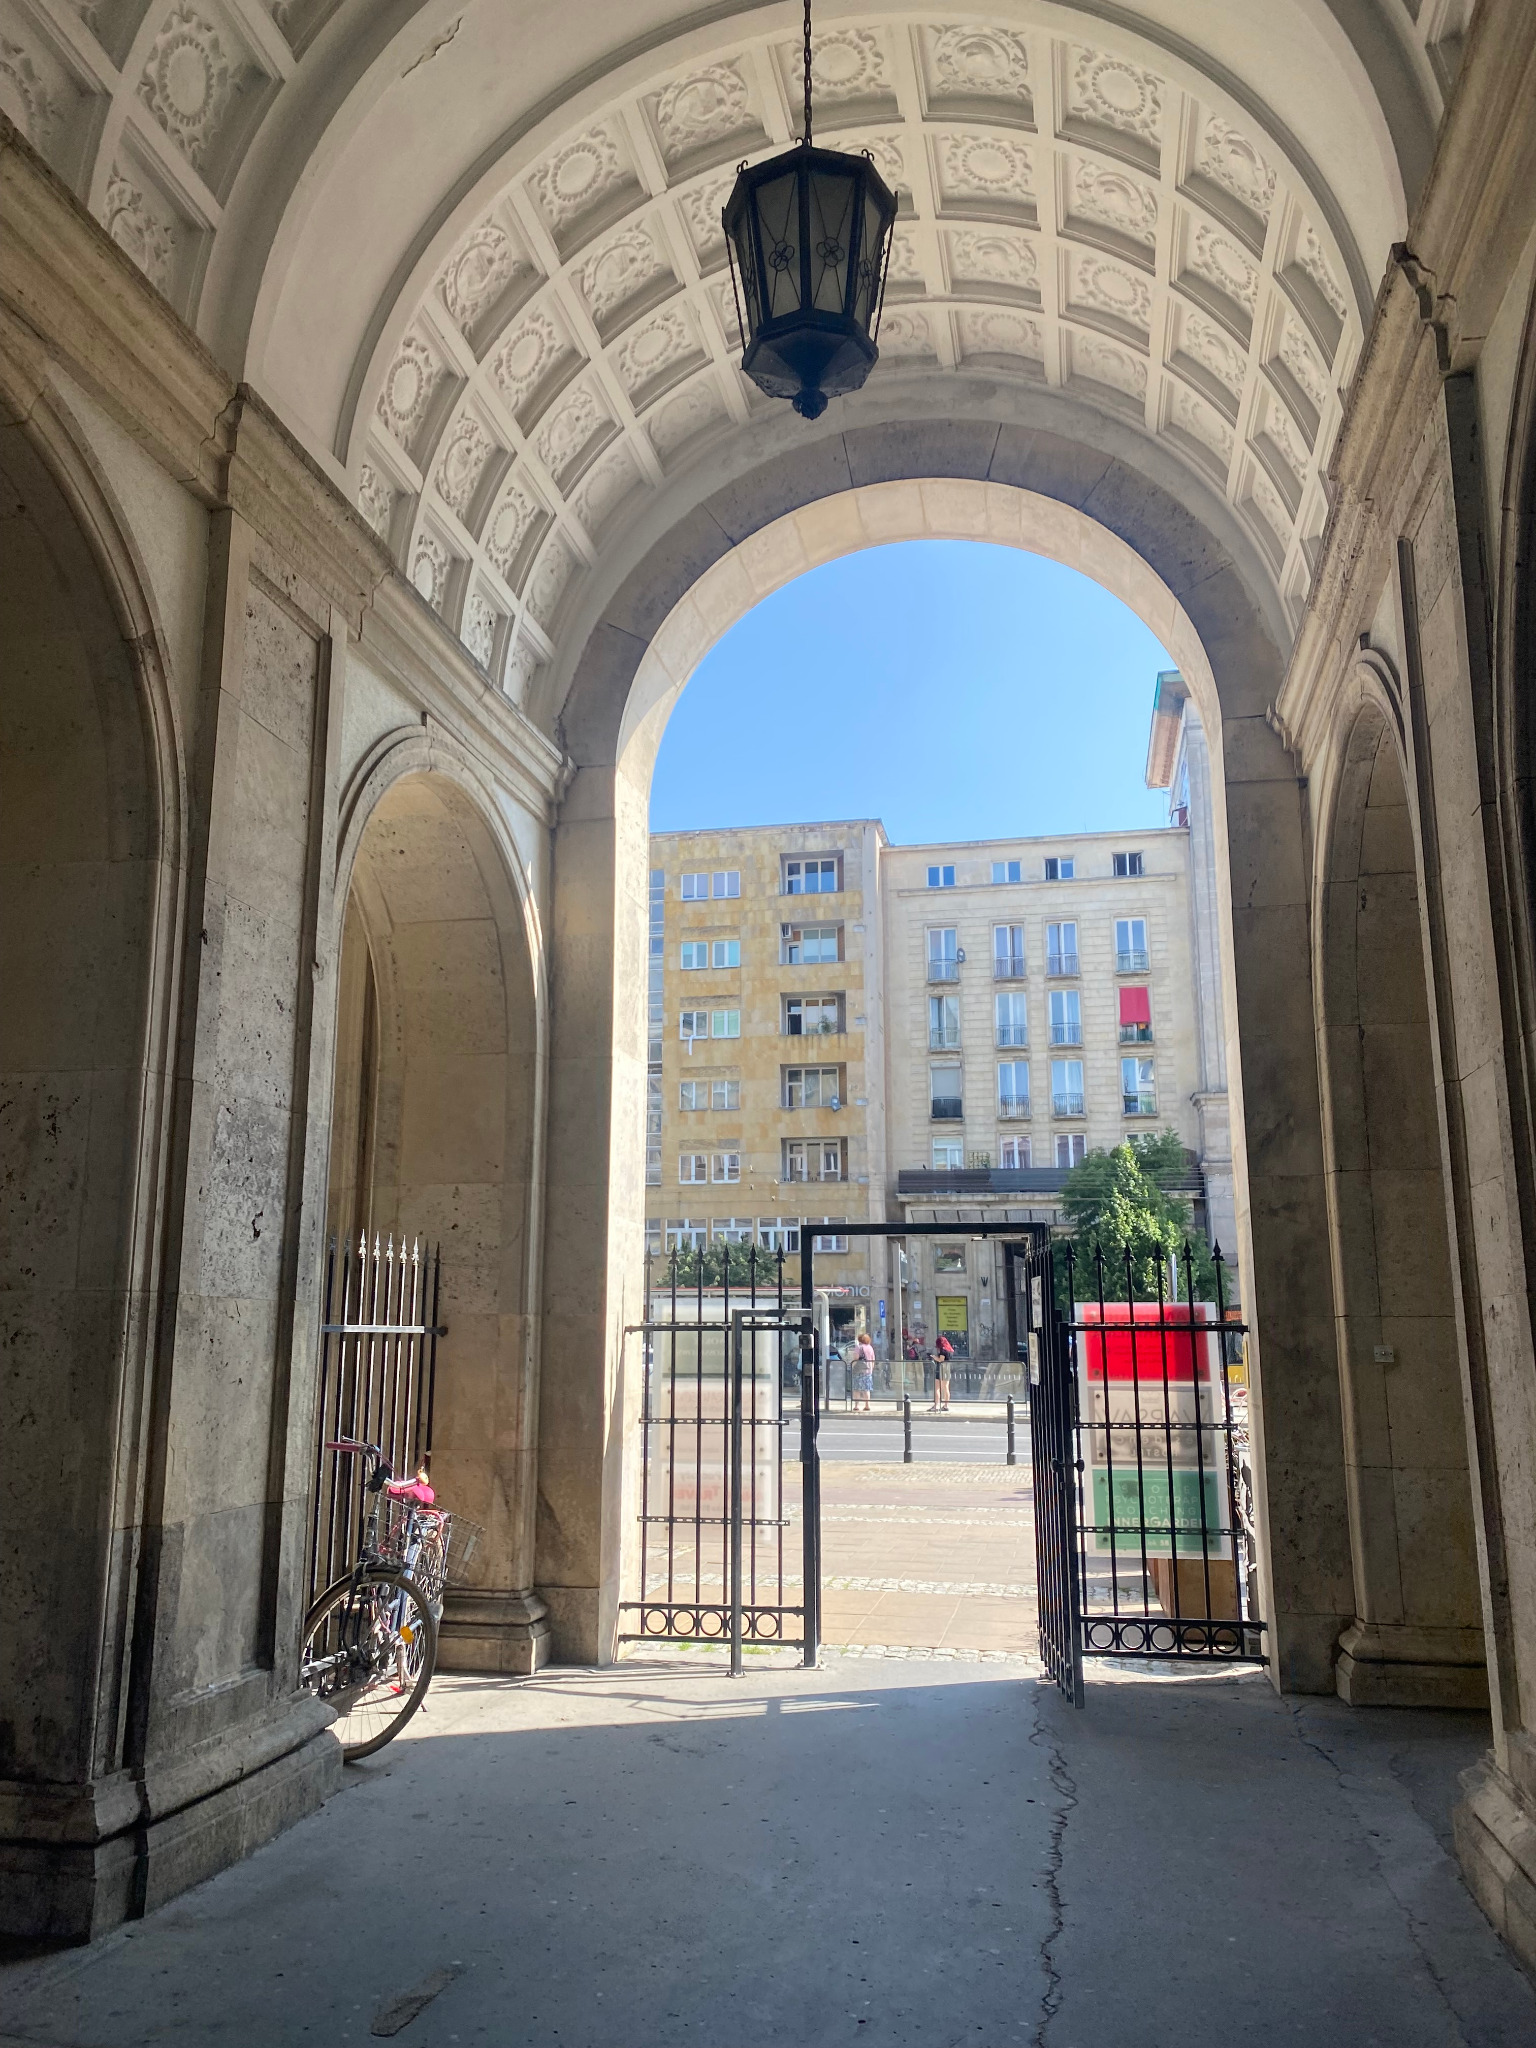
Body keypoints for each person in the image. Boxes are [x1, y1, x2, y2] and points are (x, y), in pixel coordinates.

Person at [852, 1331, 876, 1412]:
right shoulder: (870, 1348)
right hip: (868, 1370)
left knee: (857, 1389)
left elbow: (856, 1358)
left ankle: (856, 1406)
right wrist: (871, 1369)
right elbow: (873, 1360)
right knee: (866, 1389)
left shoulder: (858, 1347)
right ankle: (867, 1405)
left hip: (859, 1370)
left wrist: (852, 1366)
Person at [931, 1337, 952, 1412]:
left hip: (941, 1368)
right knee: (946, 1387)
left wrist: (934, 1357)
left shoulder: (943, 1350)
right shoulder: (949, 1349)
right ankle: (946, 1405)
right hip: (947, 1368)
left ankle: (936, 1405)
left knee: (937, 1388)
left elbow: (941, 1360)